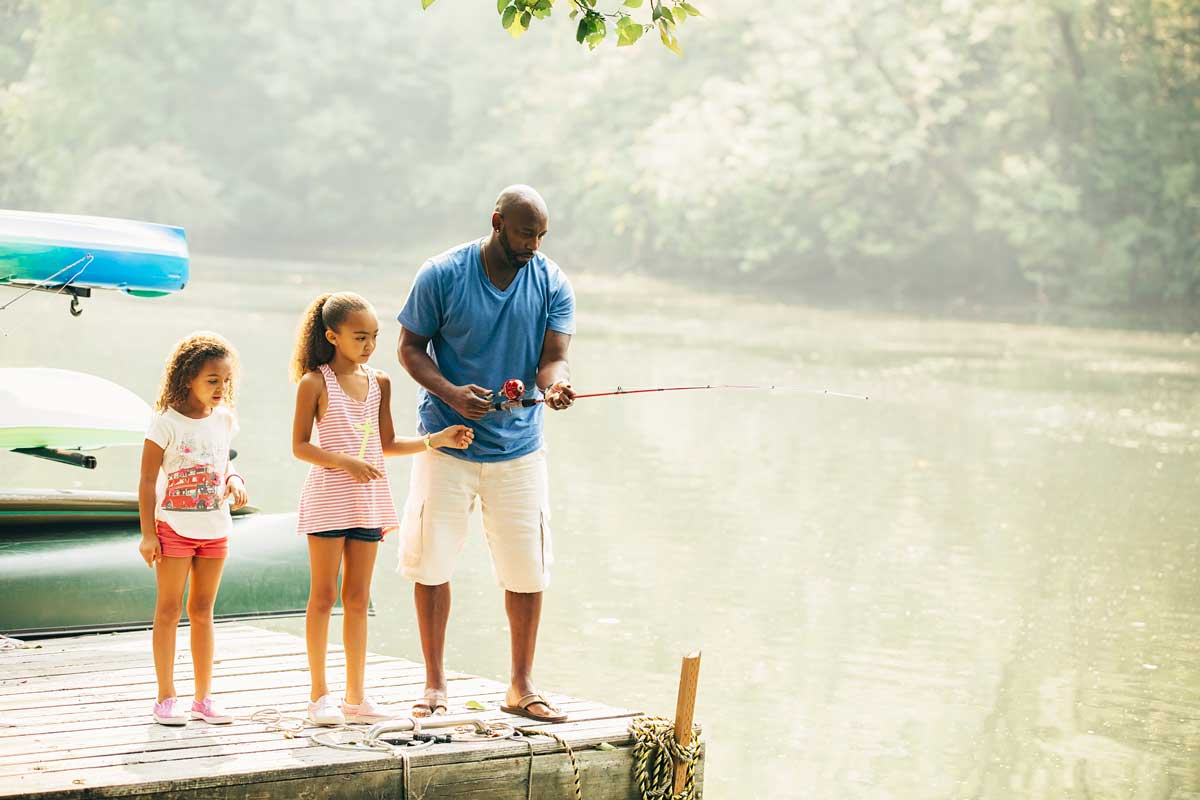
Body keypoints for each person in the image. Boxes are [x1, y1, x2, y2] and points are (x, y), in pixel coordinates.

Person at [396, 185, 576, 722]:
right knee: (431, 561)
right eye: (526, 233)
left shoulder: (551, 281)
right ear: (497, 221)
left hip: (520, 449)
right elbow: (409, 347)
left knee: (528, 571)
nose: (534, 245)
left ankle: (520, 686)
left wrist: (559, 384)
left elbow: (554, 358)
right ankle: (434, 685)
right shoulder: (443, 274)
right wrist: (451, 393)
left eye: (541, 235)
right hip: (446, 442)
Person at [291, 291, 473, 726]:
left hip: (369, 503)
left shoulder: (380, 383)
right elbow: (299, 446)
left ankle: (356, 696)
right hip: (328, 501)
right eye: (359, 337)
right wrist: (345, 462)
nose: (369, 345)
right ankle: (320, 695)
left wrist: (437, 439)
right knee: (323, 598)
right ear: (332, 336)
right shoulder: (314, 382)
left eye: (374, 336)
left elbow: (387, 445)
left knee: (357, 599)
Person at [138, 332, 248, 726]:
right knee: (168, 610)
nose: (221, 388)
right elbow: (148, 478)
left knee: (203, 611)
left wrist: (235, 479)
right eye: (212, 380)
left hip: (215, 529)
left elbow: (222, 461)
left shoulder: (224, 419)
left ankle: (204, 698)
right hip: (174, 529)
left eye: (225, 380)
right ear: (188, 378)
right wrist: (148, 533)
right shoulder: (165, 423)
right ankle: (166, 696)